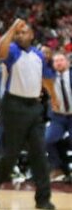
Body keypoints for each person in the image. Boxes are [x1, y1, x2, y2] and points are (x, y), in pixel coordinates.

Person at [0, 18, 55, 209]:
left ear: (32, 35)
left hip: (34, 108)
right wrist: (12, 27)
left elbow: (46, 78)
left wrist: (54, 97)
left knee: (39, 154)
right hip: (14, 107)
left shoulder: (38, 55)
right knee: (9, 155)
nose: (21, 35)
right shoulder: (13, 50)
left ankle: (43, 199)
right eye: (18, 33)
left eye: (24, 32)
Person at [46, 51, 72, 182]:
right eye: (56, 61)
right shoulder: (49, 77)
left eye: (61, 60)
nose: (59, 63)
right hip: (58, 117)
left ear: (68, 62)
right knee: (47, 140)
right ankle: (57, 169)